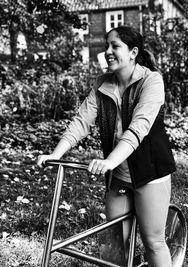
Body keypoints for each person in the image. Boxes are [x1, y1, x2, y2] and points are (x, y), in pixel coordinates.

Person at [37, 26, 176, 267]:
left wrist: (110, 160)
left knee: (153, 242)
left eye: (115, 46)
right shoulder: (102, 84)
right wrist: (55, 154)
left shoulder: (151, 81)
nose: (108, 51)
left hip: (150, 174)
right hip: (120, 176)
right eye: (106, 46)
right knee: (113, 246)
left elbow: (139, 127)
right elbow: (81, 122)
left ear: (133, 52)